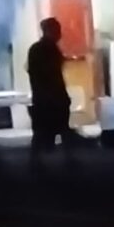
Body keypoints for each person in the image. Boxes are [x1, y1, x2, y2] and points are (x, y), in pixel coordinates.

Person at [25, 17, 75, 151]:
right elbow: (53, 76)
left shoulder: (37, 49)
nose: (59, 34)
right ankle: (67, 159)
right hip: (52, 99)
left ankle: (38, 160)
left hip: (42, 99)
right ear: (49, 31)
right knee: (61, 131)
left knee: (41, 135)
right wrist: (61, 97)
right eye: (57, 30)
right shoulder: (49, 50)